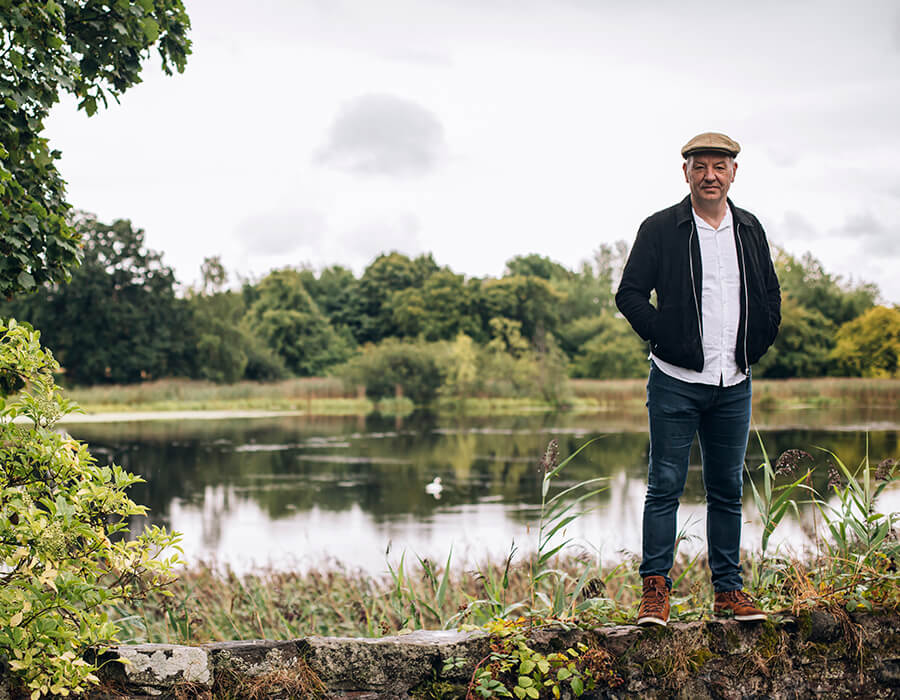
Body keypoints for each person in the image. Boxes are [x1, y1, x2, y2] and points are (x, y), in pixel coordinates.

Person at [615, 132, 781, 626]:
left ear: (733, 172)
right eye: (700, 166)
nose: (710, 175)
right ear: (685, 172)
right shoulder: (661, 228)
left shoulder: (749, 228)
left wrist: (757, 343)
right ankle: (655, 593)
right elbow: (629, 295)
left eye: (720, 166)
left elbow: (770, 296)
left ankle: (729, 591)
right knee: (663, 486)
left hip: (735, 381)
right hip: (675, 380)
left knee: (727, 490)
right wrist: (664, 336)